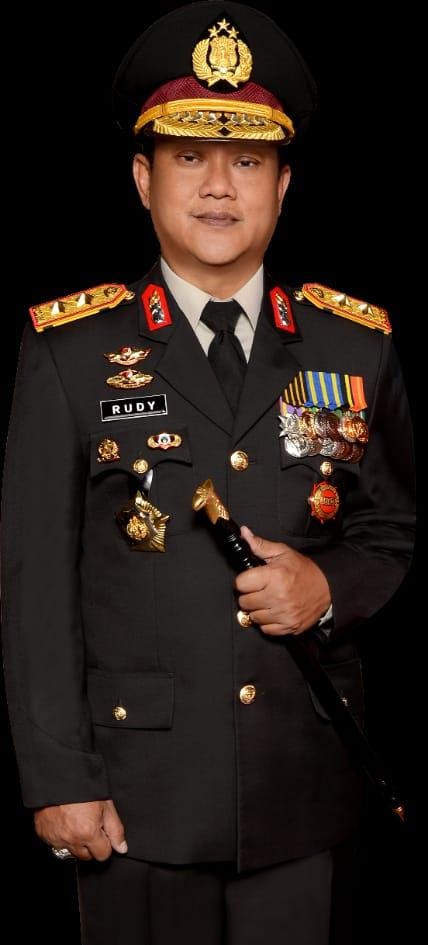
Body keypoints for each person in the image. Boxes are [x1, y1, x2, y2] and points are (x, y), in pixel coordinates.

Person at [1, 2, 415, 943]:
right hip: (134, 795)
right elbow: (36, 587)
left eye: (249, 162)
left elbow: (389, 530)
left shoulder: (356, 345)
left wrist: (325, 588)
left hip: (302, 785)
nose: (220, 187)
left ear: (284, 184)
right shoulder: (70, 350)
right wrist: (59, 776)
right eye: (190, 156)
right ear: (143, 178)